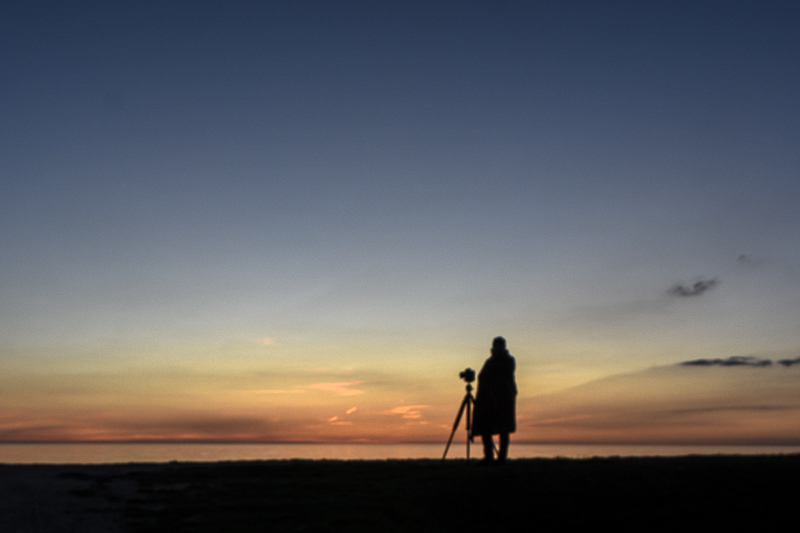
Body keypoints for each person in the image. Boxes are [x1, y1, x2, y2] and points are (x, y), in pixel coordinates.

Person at [471, 336, 517, 463]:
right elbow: (483, 377)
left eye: (500, 346)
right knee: (485, 426)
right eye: (496, 346)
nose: (498, 348)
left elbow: (503, 374)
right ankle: (489, 456)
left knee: (504, 429)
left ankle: (502, 457)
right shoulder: (489, 361)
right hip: (488, 399)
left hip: (504, 398)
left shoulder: (508, 360)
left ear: (503, 347)